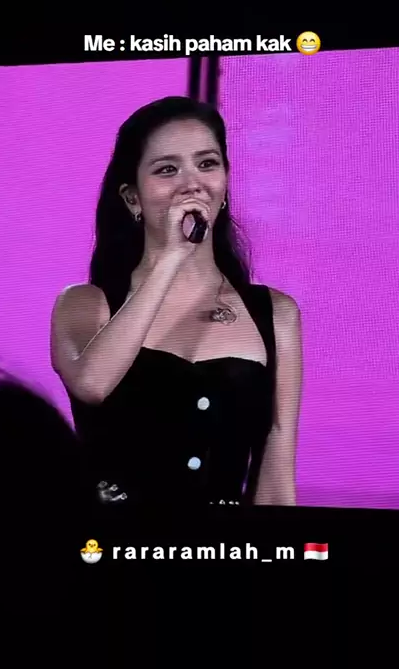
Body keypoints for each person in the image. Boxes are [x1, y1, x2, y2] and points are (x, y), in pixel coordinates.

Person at [50, 96, 303, 507]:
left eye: (207, 164)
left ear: (225, 183)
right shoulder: (83, 302)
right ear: (132, 198)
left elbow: (276, 477)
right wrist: (171, 257)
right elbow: (91, 384)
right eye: (167, 170)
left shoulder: (275, 315)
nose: (192, 184)